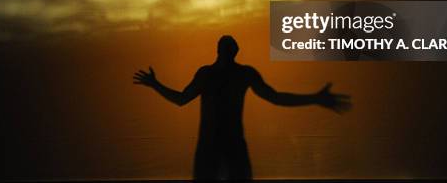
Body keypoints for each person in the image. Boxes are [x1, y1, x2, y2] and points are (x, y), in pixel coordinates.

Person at [133, 35, 351, 180]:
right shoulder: (227, 74)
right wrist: (155, 84)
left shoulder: (225, 74)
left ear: (221, 50)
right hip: (219, 145)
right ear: (231, 50)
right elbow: (276, 97)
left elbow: (181, 99)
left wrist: (314, 98)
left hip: (221, 145)